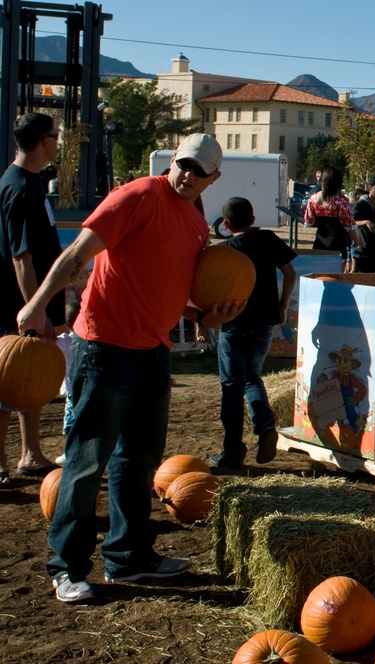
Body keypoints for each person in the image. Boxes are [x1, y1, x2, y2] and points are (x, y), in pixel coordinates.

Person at [16, 133, 244, 603]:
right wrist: (38, 304)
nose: (188, 175)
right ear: (172, 162)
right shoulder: (138, 196)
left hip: (152, 352)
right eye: (183, 164)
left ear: (214, 178)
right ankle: (67, 566)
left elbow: (170, 286)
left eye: (200, 171)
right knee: (85, 463)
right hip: (105, 347)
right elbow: (77, 255)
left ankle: (129, 558)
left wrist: (202, 317)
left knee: (137, 461)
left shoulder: (196, 223)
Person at [208, 197, 296, 472]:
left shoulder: (224, 250)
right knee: (252, 379)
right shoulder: (268, 239)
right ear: (253, 218)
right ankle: (266, 426)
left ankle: (232, 454)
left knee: (232, 387)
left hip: (233, 325)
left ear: (225, 224)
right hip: (264, 324)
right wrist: (282, 306)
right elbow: (290, 273)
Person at [0, 112, 63, 488]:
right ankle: (3, 462)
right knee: (8, 382)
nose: (57, 142)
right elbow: (21, 257)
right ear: (43, 141)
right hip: (17, 304)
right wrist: (35, 311)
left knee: (31, 378)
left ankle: (31, 452)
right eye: (56, 136)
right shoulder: (21, 188)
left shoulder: (30, 183)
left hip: (28, 302)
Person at [303, 166, 362, 272]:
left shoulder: (313, 199)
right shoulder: (341, 201)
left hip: (320, 242)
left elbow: (309, 222)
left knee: (319, 276)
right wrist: (357, 242)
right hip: (337, 243)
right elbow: (348, 225)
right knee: (336, 277)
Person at [352, 174, 375, 273]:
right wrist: (366, 222)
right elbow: (351, 222)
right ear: (369, 188)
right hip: (363, 249)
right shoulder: (360, 205)